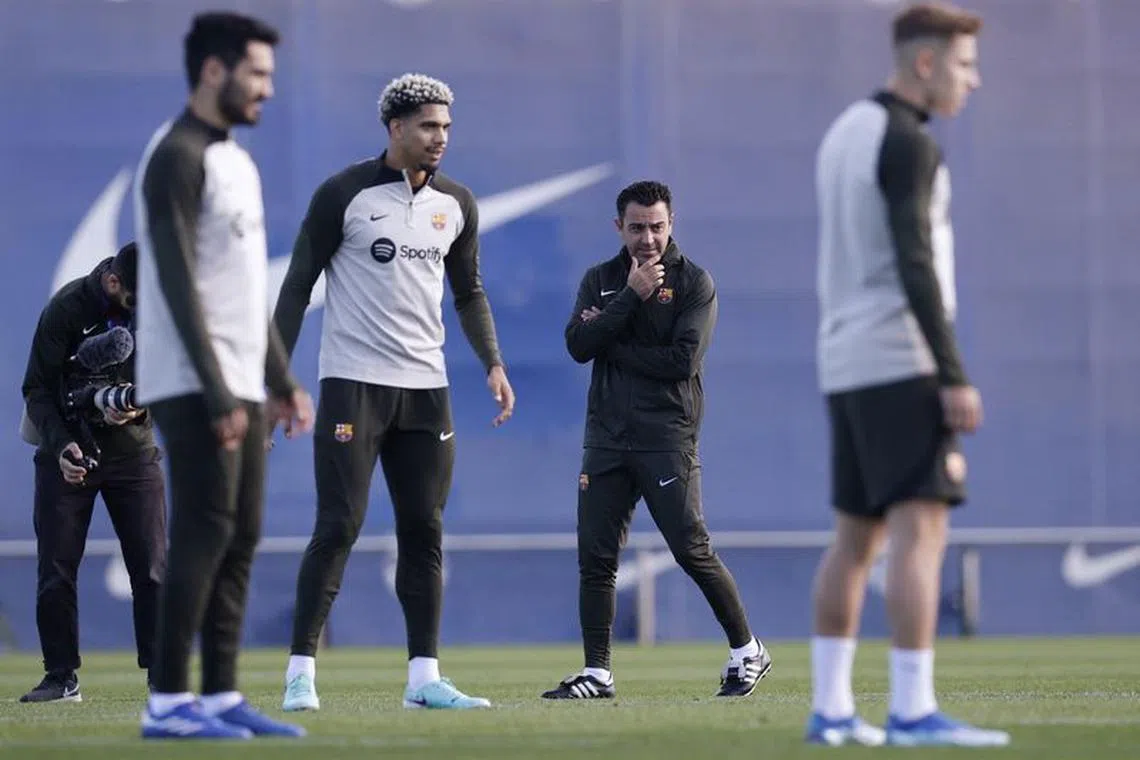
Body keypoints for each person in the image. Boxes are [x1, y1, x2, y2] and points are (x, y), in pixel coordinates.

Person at [272, 72, 515, 712]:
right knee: (339, 526)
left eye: (446, 129)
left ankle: (424, 681)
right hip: (353, 386)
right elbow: (296, 287)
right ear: (395, 129)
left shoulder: (456, 204)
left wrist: (492, 361)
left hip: (426, 392)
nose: (440, 139)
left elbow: (469, 293)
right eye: (429, 127)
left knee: (423, 531)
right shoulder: (343, 195)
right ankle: (301, 674)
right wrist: (275, 377)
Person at [805, 1, 1009, 747]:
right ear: (925, 63)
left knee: (854, 540)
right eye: (963, 65)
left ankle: (830, 711)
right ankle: (913, 710)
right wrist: (952, 372)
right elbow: (915, 262)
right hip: (902, 361)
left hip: (846, 362)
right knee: (921, 534)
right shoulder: (909, 144)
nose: (973, 81)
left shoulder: (845, 132)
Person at [132, 11, 314, 740]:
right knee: (205, 534)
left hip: (241, 382)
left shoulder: (239, 161)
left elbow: (244, 291)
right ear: (215, 70)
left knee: (242, 535)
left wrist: (282, 382)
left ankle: (218, 697)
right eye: (257, 74)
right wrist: (214, 391)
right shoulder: (175, 155)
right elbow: (176, 284)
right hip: (190, 381)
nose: (267, 89)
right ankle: (167, 702)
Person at [542, 180, 770, 701]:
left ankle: (747, 650)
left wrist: (613, 338)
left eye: (657, 227)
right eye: (638, 227)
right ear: (618, 227)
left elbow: (680, 362)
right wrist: (629, 298)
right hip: (605, 437)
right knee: (595, 558)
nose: (648, 238)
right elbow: (578, 345)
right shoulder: (601, 279)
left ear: (672, 225)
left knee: (691, 549)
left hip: (666, 436)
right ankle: (597, 673)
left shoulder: (694, 283)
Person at [18, 243, 165, 703]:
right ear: (113, 281)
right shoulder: (66, 307)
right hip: (68, 446)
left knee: (153, 568)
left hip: (134, 453)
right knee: (56, 568)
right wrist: (62, 446)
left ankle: (164, 678)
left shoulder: (157, 308)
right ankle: (61, 676)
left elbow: (170, 377)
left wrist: (140, 410)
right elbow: (37, 389)